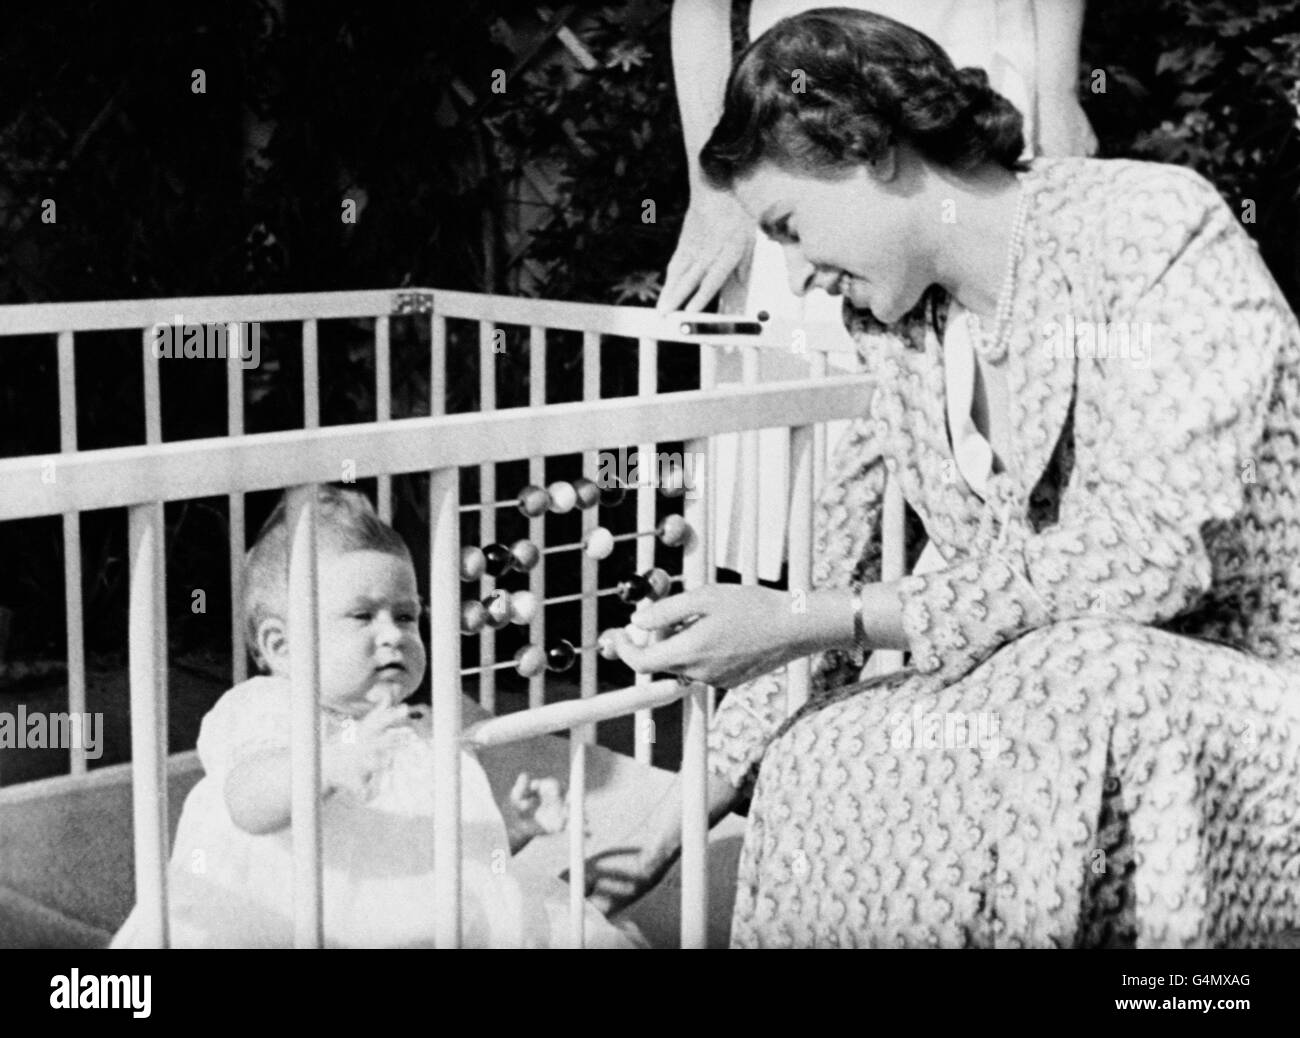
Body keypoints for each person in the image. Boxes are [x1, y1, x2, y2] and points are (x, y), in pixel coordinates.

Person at [597, 8, 1300, 947]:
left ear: (870, 151)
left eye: (792, 227)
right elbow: (813, 612)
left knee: (1076, 672)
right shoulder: (894, 331)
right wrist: (664, 831)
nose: (800, 275)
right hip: (1068, 701)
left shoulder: (1151, 227)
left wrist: (833, 615)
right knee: (823, 749)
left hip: (1245, 700)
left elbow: (1149, 561)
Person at [662, 0, 1096, 583]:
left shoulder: (1162, 234)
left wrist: (1060, 88)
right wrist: (720, 188)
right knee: (818, 420)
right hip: (800, 108)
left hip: (968, 75)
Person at [112, 485, 637, 948]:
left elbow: (435, 853)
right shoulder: (268, 708)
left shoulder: (417, 726)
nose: (393, 634)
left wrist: (509, 827)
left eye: (406, 616)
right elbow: (245, 801)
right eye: (362, 616)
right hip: (290, 920)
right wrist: (330, 763)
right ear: (281, 645)